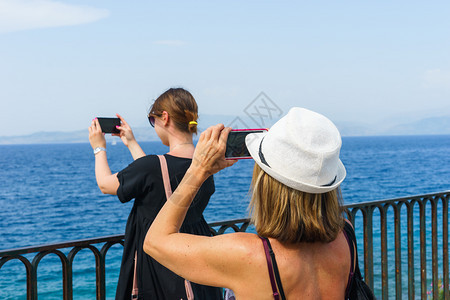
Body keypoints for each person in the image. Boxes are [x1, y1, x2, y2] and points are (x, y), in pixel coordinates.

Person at [144, 107, 353, 300]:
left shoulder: (248, 255)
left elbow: (155, 241)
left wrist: (198, 171)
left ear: (267, 182)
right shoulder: (346, 236)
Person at [88, 88, 223, 299]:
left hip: (160, 266)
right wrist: (131, 143)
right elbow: (158, 177)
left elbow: (105, 185)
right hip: (198, 262)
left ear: (165, 118)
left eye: (153, 121)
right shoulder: (204, 165)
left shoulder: (151, 168)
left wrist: (99, 148)